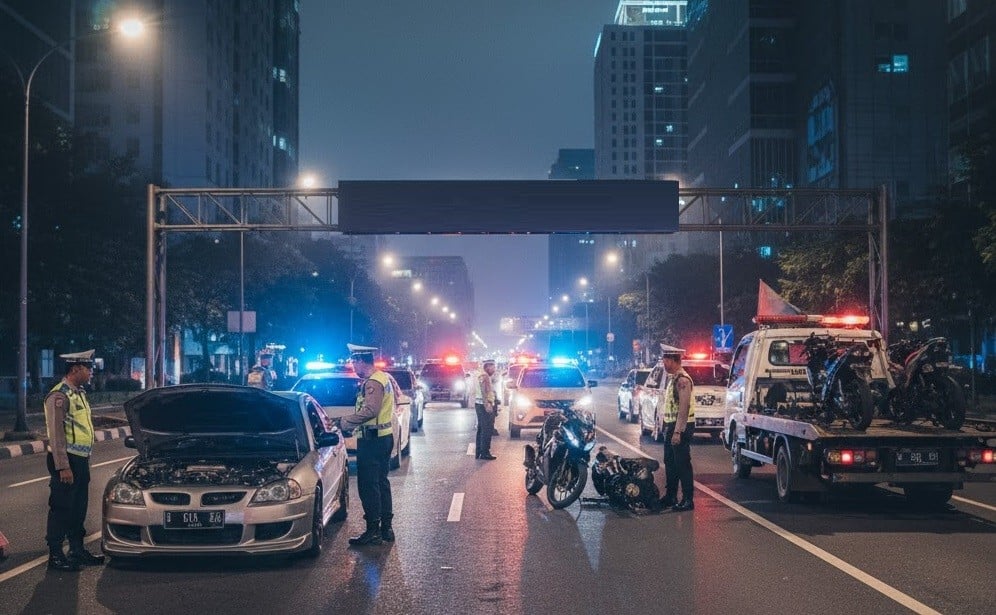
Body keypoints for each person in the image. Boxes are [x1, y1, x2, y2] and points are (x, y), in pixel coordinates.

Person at [43, 349, 105, 571]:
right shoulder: (58, 396)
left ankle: (77, 550)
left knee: (78, 507)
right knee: (61, 507)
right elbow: (56, 434)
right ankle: (56, 555)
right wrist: (63, 467)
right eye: (88, 369)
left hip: (81, 460)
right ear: (76, 369)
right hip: (66, 461)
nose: (90, 373)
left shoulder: (78, 393)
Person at [340, 344, 396, 546]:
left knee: (368, 485)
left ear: (362, 360)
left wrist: (346, 422)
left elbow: (371, 410)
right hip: (384, 437)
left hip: (372, 440)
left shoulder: (373, 382)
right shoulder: (384, 377)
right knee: (381, 482)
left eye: (354, 361)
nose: (353, 366)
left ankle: (373, 530)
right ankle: (386, 529)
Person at [659, 344, 696, 512]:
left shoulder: (682, 380)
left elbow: (684, 407)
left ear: (673, 360)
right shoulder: (673, 378)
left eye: (665, 360)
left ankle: (688, 499)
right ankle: (671, 496)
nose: (663, 364)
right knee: (670, 462)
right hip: (672, 426)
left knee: (682, 464)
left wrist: (677, 432)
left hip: (681, 426)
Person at [474, 359, 499, 460]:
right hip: (484, 405)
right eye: (493, 368)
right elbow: (484, 392)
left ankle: (479, 452)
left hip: (480, 404)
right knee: (487, 429)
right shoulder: (484, 376)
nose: (494, 370)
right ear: (488, 367)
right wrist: (487, 405)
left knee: (481, 429)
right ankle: (485, 453)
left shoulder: (482, 375)